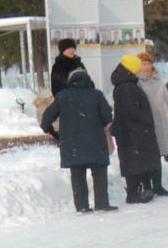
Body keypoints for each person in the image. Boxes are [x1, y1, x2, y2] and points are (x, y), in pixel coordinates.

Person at [39, 68, 115, 213]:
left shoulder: (62, 97)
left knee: (77, 175)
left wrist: (53, 133)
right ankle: (102, 204)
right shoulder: (96, 95)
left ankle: (81, 206)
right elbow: (107, 117)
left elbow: (46, 119)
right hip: (95, 143)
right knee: (99, 172)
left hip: (72, 144)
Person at [110, 54, 160, 204]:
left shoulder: (125, 84)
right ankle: (133, 193)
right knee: (134, 161)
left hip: (130, 131)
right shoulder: (127, 86)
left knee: (133, 160)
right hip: (133, 131)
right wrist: (146, 120)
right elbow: (131, 110)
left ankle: (135, 192)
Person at [136, 53, 168, 195]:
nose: (147, 66)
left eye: (149, 63)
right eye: (144, 64)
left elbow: (167, 102)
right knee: (147, 155)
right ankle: (147, 185)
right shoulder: (137, 83)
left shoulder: (159, 81)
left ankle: (158, 185)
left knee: (158, 155)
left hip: (161, 122)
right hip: (146, 124)